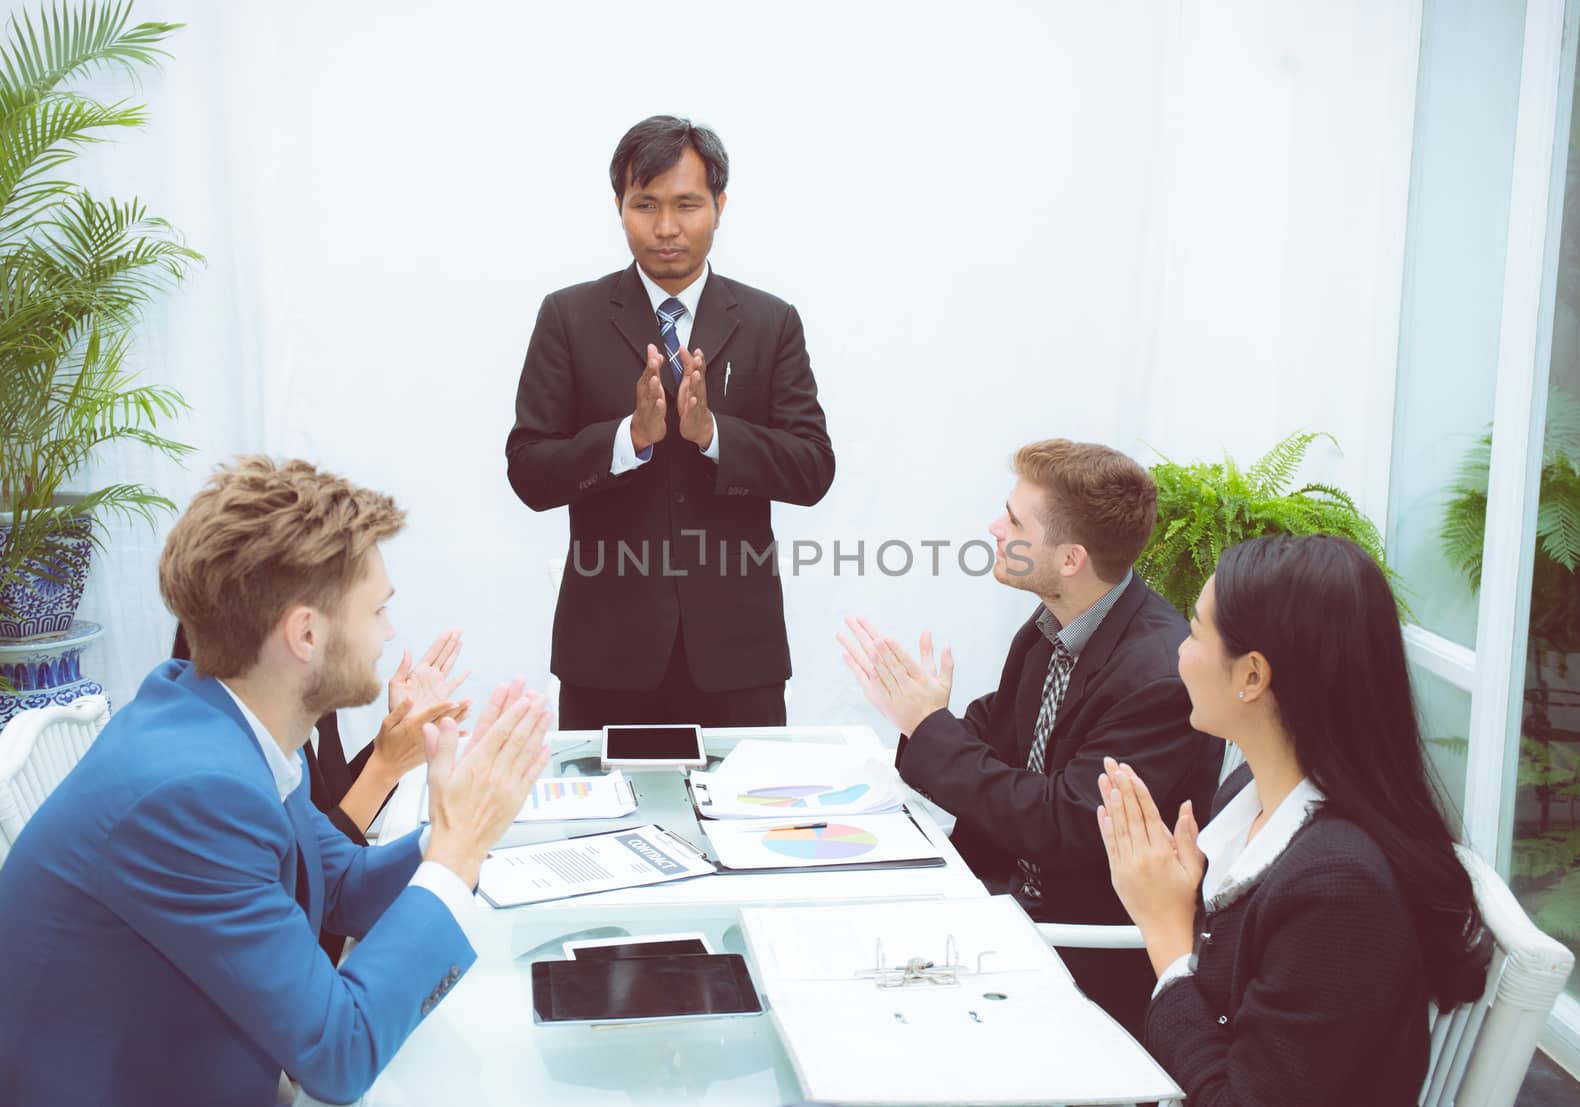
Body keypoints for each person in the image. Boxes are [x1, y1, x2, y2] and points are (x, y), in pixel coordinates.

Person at [0, 457, 552, 1107]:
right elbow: (338, 1055)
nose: (390, 631)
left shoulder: (221, 716)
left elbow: (343, 882)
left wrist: (466, 824)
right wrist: (456, 850)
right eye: (377, 609)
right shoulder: (194, 791)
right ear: (306, 632)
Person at [840, 439, 1221, 1035]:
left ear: (1070, 559)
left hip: (1080, 950)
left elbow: (1061, 823)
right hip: (1003, 908)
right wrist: (925, 717)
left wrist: (928, 727)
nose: (994, 527)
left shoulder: (1157, 679)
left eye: (1014, 520)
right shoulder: (1052, 624)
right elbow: (995, 732)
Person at [1096, 534, 1488, 1105]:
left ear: (1252, 677)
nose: (1180, 650)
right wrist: (1180, 907)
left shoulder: (1339, 889)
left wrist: (1166, 933)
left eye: (1196, 631)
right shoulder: (1252, 795)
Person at [505, 114, 834, 730]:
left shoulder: (770, 322)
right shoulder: (568, 317)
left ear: (720, 204)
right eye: (644, 204)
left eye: (686, 205)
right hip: (607, 659)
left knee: (744, 822)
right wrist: (626, 440)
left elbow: (813, 468)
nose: (665, 228)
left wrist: (714, 436)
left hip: (739, 659)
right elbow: (527, 470)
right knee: (606, 825)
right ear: (619, 206)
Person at [175, 623, 469, 964]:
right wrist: (385, 767)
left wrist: (395, 743)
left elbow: (331, 832)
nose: (387, 631)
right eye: (373, 611)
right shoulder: (215, 774)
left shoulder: (299, 707)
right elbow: (307, 898)